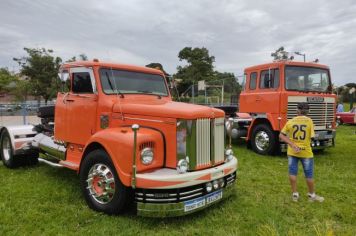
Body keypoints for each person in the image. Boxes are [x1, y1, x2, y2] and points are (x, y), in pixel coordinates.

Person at [279, 102, 324, 202]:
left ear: (297, 110)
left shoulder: (291, 121)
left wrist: (292, 144)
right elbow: (312, 137)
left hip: (292, 152)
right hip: (306, 152)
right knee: (309, 175)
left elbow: (281, 135)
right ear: (307, 111)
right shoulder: (309, 121)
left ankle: (295, 195)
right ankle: (312, 196)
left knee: (292, 173)